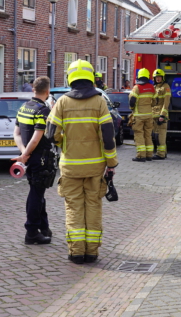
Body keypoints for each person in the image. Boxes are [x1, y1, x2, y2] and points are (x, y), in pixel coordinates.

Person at [45, 60, 118, 264]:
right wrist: (111, 162)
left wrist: (63, 142)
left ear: (70, 78)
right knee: (93, 206)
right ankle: (92, 252)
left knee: (74, 207)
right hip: (96, 167)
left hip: (70, 167)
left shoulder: (62, 102)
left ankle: (76, 253)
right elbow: (108, 134)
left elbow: (51, 133)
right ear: (91, 77)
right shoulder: (99, 101)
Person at [12, 76, 54, 245]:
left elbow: (17, 134)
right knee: (36, 194)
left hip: (29, 158)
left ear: (33, 90)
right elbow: (36, 139)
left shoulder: (23, 107)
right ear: (47, 91)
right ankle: (31, 232)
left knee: (38, 192)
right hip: (40, 158)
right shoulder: (42, 111)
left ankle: (44, 227)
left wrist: (23, 154)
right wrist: (27, 153)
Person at [129, 68, 156, 162]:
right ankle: (149, 155)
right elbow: (155, 101)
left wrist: (132, 109)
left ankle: (141, 156)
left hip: (139, 116)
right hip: (149, 115)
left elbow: (132, 101)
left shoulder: (137, 87)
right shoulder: (152, 87)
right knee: (148, 135)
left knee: (139, 134)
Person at [151, 69, 171, 160]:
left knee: (161, 135)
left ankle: (161, 154)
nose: (158, 79)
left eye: (159, 77)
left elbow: (166, 103)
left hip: (161, 116)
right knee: (156, 135)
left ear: (162, 78)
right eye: (156, 77)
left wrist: (162, 115)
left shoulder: (165, 87)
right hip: (154, 115)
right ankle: (163, 153)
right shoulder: (154, 87)